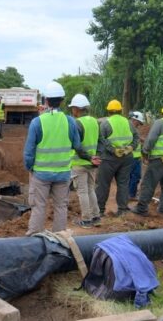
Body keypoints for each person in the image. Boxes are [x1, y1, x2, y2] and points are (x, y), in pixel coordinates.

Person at [24, 82, 98, 235]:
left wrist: (30, 167)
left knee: (39, 206)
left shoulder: (37, 122)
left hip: (41, 173)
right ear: (62, 101)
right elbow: (77, 145)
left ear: (46, 100)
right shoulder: (70, 121)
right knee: (60, 206)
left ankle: (34, 236)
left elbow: (29, 152)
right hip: (63, 173)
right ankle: (60, 238)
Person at [131, 104, 163, 217]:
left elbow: (151, 139)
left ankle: (141, 208)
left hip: (160, 159)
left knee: (149, 182)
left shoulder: (160, 122)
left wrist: (145, 152)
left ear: (162, 113)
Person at [95, 99, 139, 217]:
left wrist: (112, 149)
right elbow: (136, 137)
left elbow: (101, 139)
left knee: (103, 184)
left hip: (109, 158)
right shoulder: (128, 122)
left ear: (108, 111)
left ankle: (100, 210)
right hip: (126, 158)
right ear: (120, 111)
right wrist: (131, 147)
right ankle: (122, 210)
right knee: (123, 183)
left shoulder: (105, 123)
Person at [69, 94, 102, 228]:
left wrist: (88, 157)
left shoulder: (77, 123)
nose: (72, 111)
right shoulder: (94, 121)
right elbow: (100, 141)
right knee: (90, 189)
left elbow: (77, 146)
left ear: (77, 109)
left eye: (72, 108)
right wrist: (95, 157)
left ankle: (86, 220)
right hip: (92, 163)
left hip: (79, 162)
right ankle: (96, 217)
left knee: (82, 191)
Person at [128, 111, 145, 199]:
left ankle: (131, 194)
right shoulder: (128, 129)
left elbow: (137, 138)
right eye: (139, 123)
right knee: (132, 176)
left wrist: (143, 140)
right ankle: (130, 194)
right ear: (134, 120)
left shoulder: (134, 129)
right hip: (131, 157)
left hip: (136, 157)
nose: (139, 125)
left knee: (136, 176)